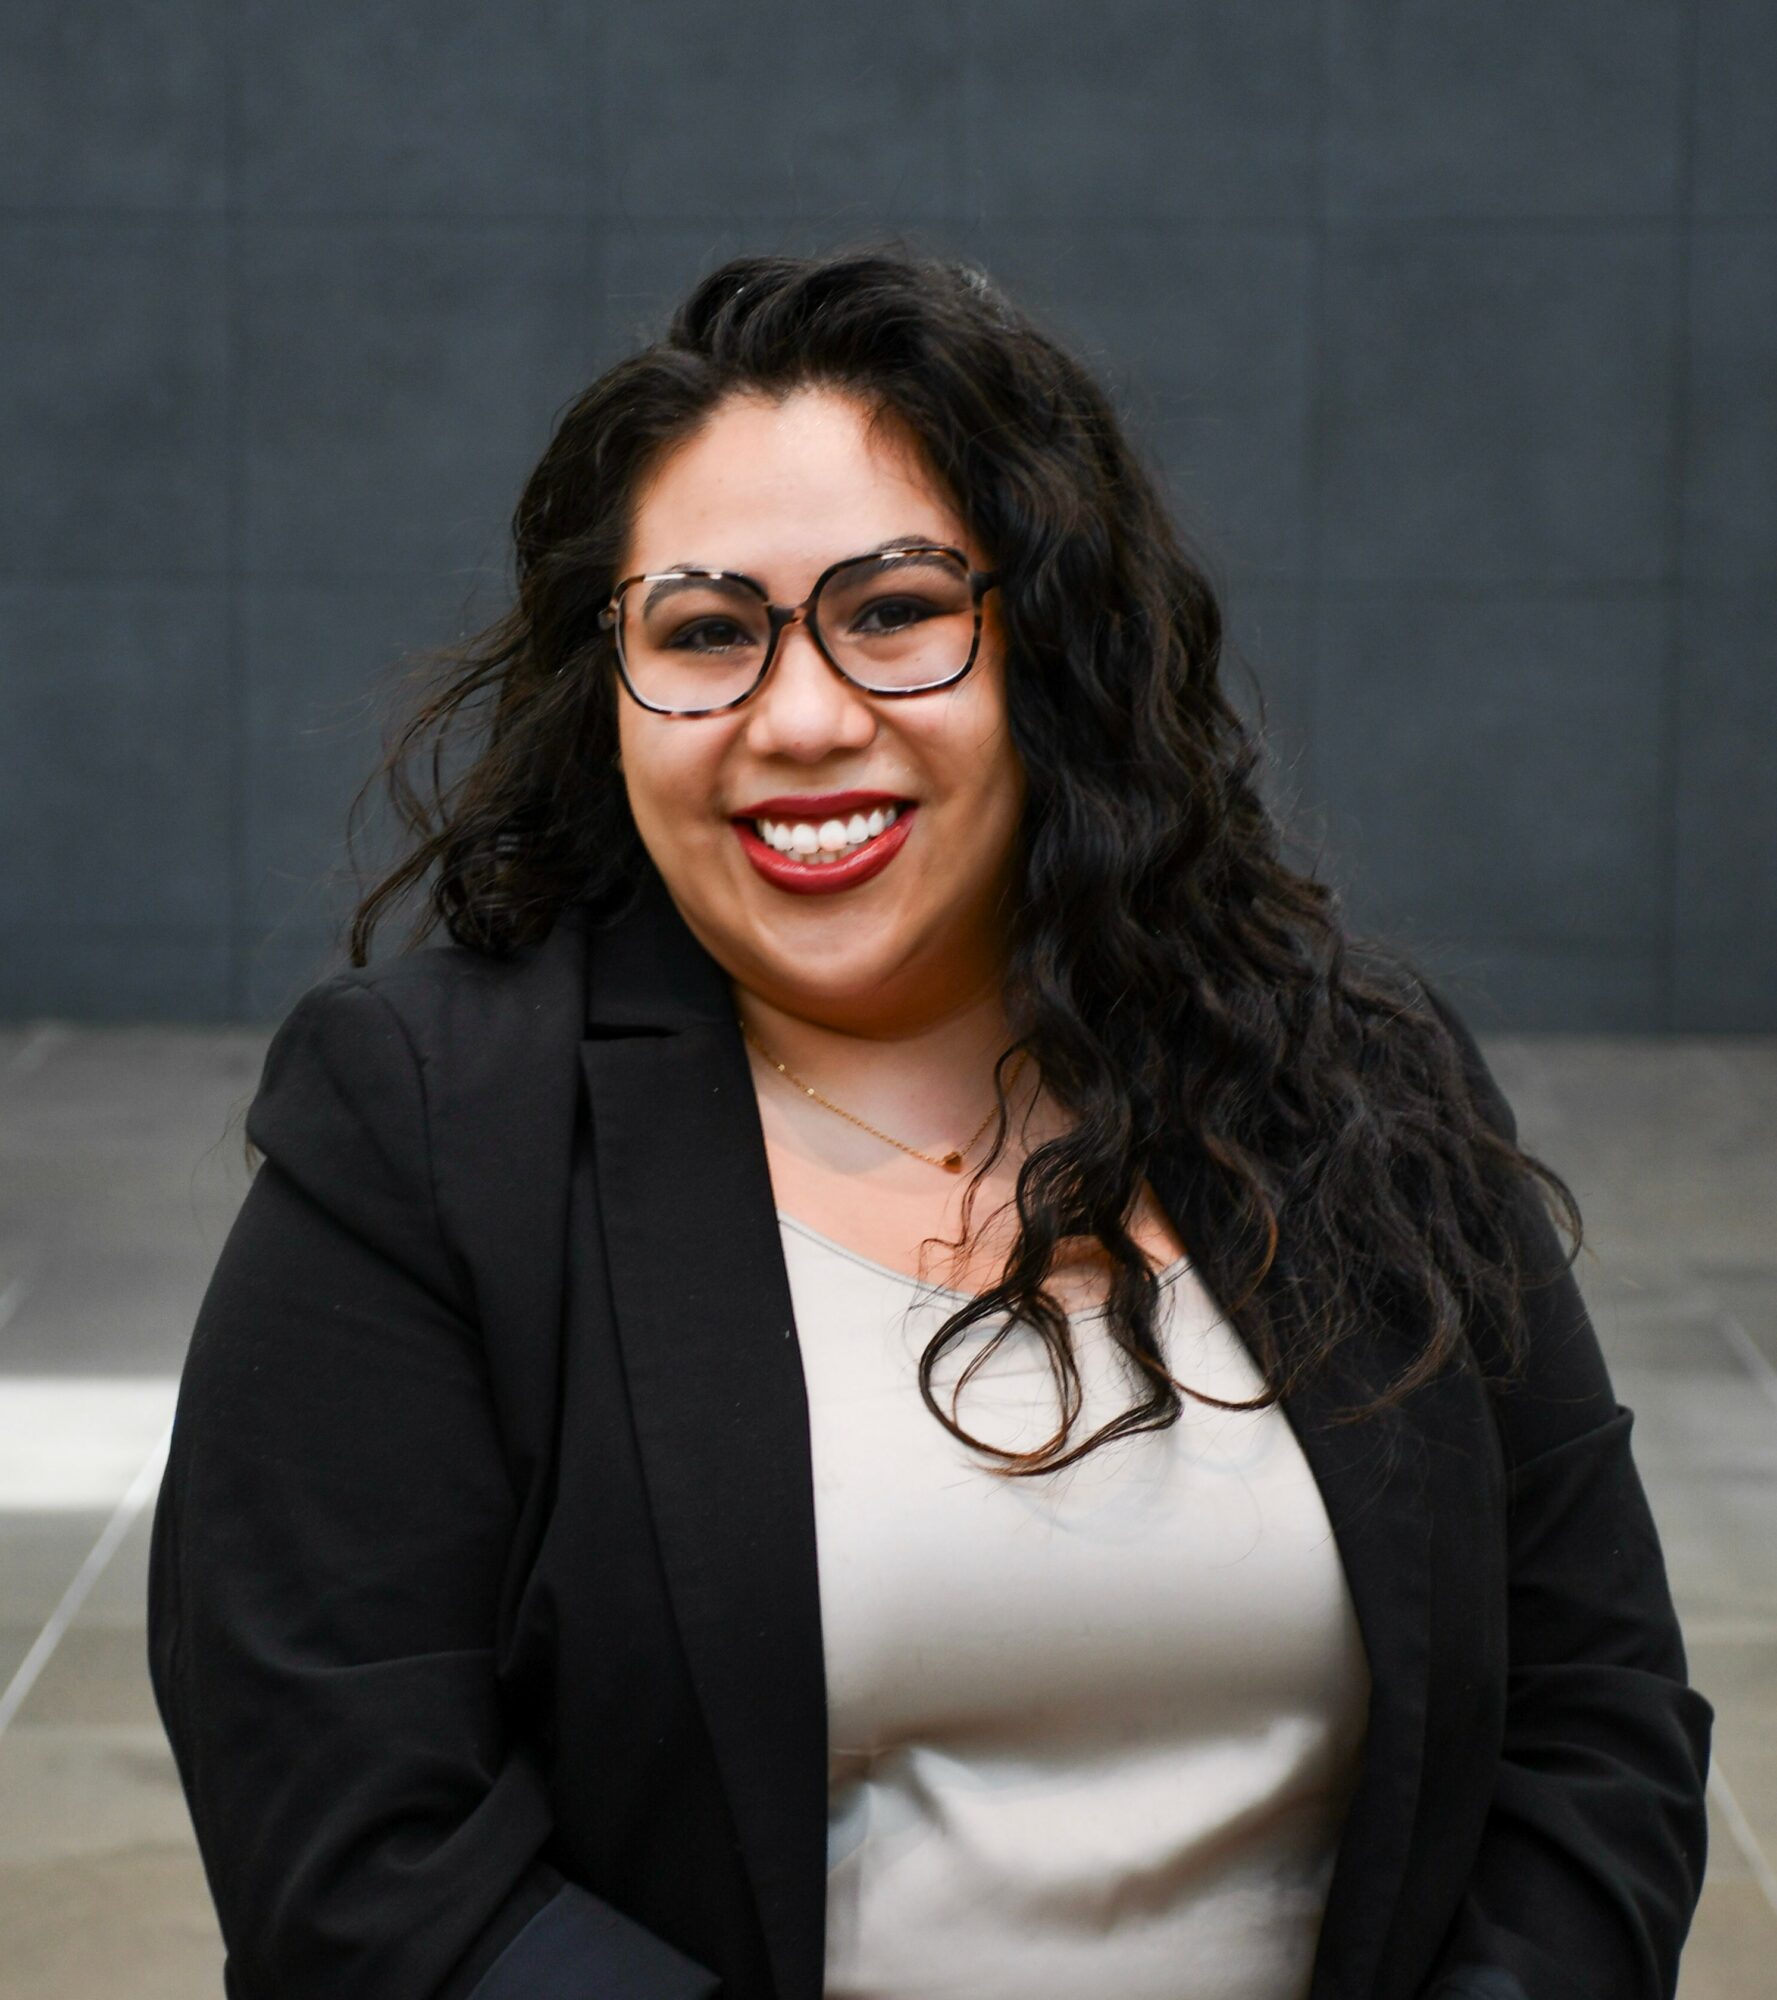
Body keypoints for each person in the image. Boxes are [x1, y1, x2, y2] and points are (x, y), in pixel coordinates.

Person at [146, 243, 1712, 2000]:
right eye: (705, 632)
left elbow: (1597, 1717)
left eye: (892, 610)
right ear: (613, 688)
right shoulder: (426, 1126)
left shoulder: (1349, 1072)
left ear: (1048, 644)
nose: (802, 718)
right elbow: (359, 1860)